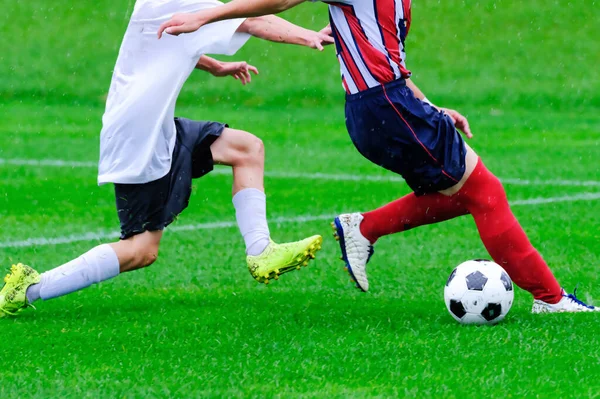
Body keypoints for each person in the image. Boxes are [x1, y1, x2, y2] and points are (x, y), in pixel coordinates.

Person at [154, 0, 598, 313]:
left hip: (388, 106)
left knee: (467, 193)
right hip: (384, 108)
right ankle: (551, 299)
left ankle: (363, 228)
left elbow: (390, 61)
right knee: (486, 192)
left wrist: (433, 109)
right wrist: (207, 14)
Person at [0, 0, 334, 317]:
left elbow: (170, 34)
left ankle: (261, 251)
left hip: (154, 125)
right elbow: (253, 17)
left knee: (246, 148)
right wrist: (309, 36)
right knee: (141, 250)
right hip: (138, 132)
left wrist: (214, 65)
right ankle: (30, 288)